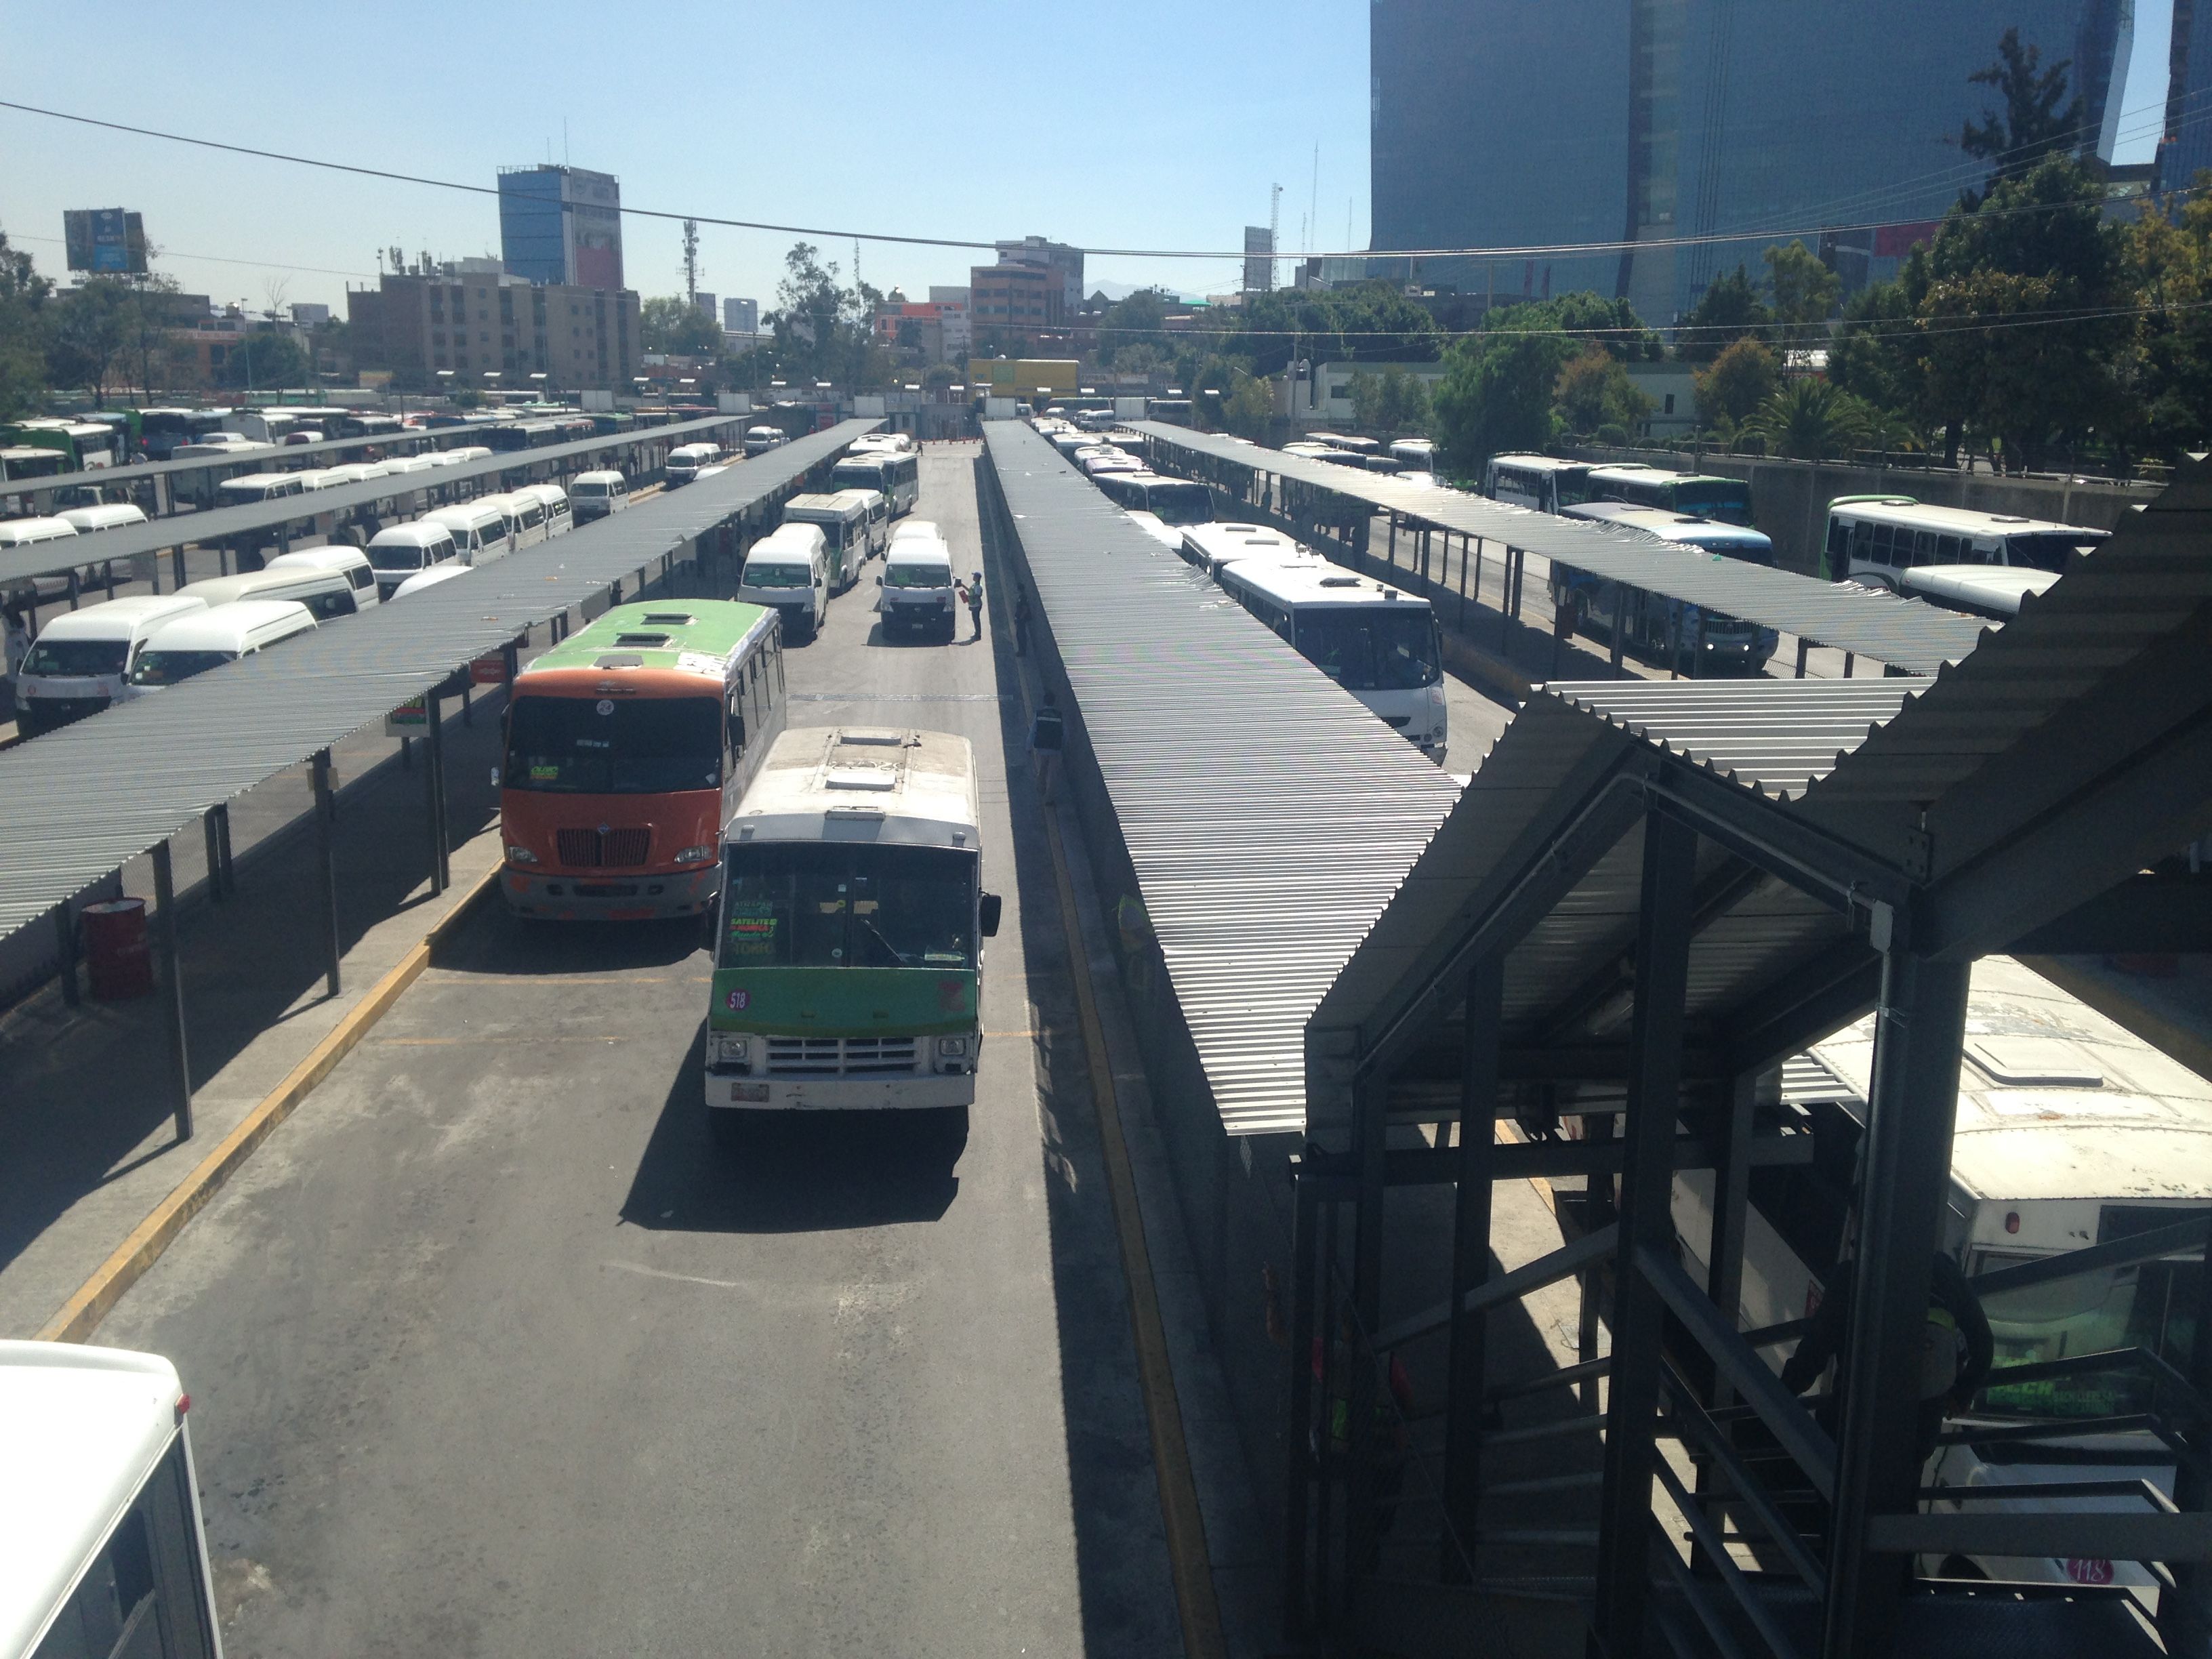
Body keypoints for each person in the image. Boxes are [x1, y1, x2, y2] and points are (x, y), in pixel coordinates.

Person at [1028, 689, 1064, 804]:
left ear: (1044, 702)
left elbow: (1033, 731)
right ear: (1054, 702)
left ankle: (1040, 788)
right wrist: (1063, 747)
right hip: (1055, 749)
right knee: (1052, 775)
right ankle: (1049, 798)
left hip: (1041, 748)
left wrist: (1028, 747)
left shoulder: (1039, 714)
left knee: (1042, 769)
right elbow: (1065, 733)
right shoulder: (1059, 716)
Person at [1013, 585, 1033, 657]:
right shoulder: (1022, 597)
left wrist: (1020, 618)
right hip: (1020, 618)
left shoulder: (1023, 597)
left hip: (1021, 620)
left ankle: (1022, 651)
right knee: (1019, 635)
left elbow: (1025, 609)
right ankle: (1021, 650)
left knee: (1021, 635)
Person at [965, 569, 985, 640]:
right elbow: (971, 591)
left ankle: (978, 635)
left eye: (974, 576)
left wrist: (969, 597)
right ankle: (977, 633)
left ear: (977, 578)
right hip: (973, 605)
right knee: (975, 619)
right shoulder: (975, 585)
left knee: (976, 620)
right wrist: (963, 586)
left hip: (976, 606)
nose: (973, 577)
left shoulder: (978, 587)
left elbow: (978, 595)